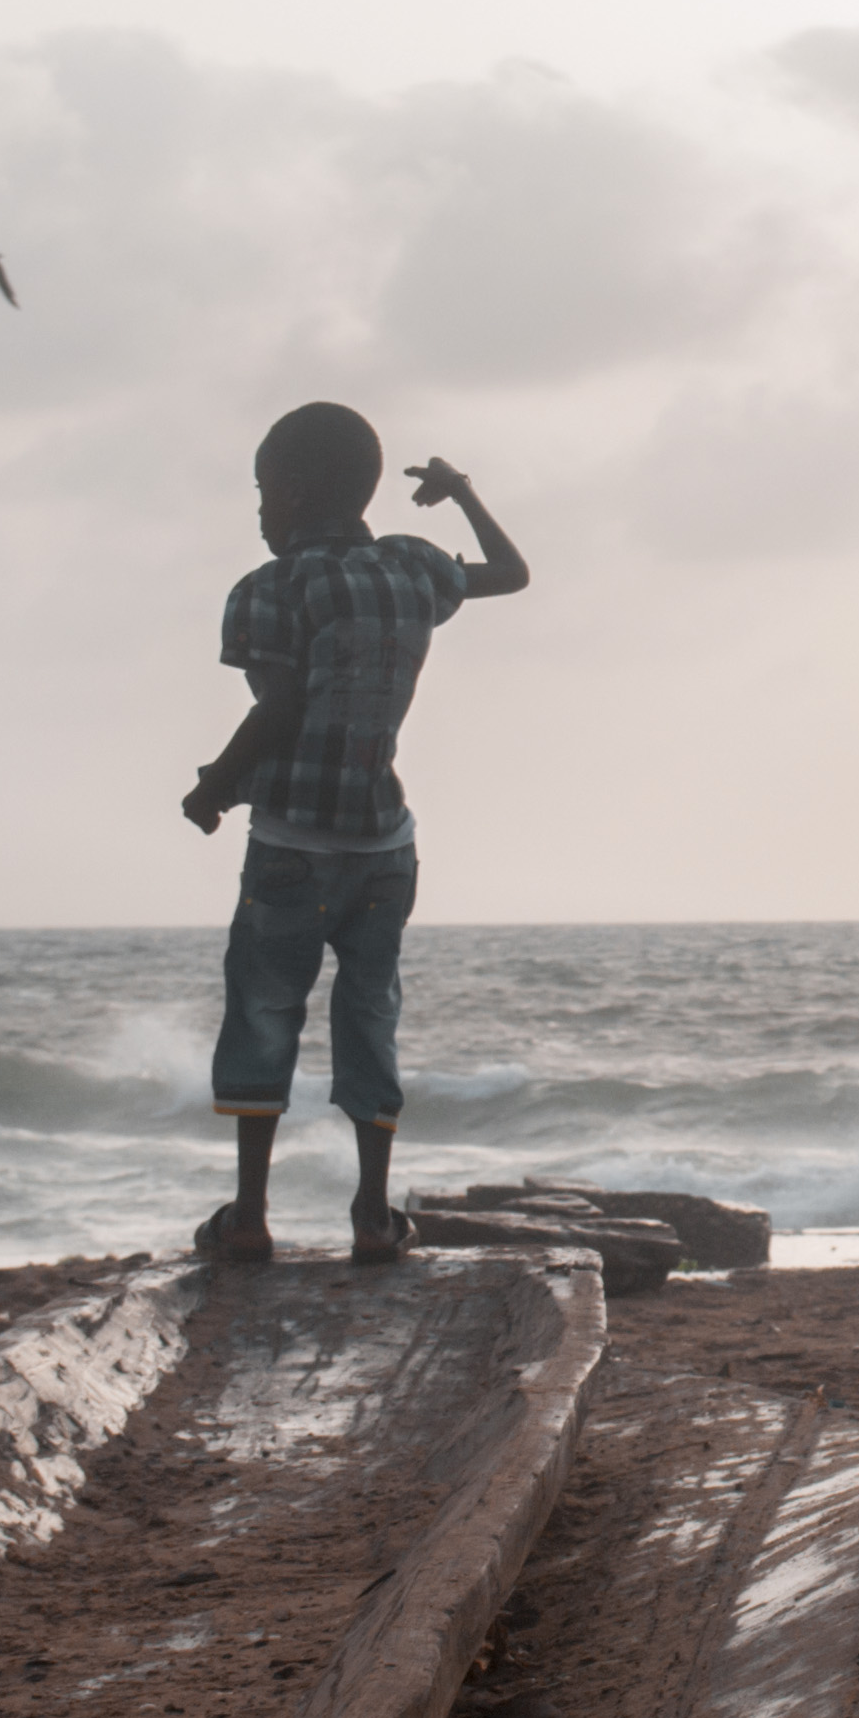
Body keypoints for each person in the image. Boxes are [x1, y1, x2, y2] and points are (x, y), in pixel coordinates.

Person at [178, 401, 528, 1264]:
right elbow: (511, 573)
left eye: (263, 493)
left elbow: (282, 706)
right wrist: (464, 495)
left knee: (265, 1011)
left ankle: (250, 1214)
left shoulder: (269, 589)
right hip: (385, 846)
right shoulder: (411, 568)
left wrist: (215, 788)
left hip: (293, 839)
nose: (259, 512)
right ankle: (374, 1214)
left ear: (294, 493)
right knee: (369, 1015)